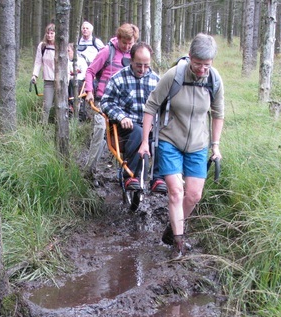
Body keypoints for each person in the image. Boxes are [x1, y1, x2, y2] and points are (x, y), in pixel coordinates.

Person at [138, 33, 225, 259]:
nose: (202, 70)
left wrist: (215, 146)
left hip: (198, 144)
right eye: (198, 64)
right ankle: (179, 243)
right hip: (170, 141)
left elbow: (218, 114)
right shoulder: (174, 76)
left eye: (207, 65)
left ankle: (172, 228)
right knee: (176, 192)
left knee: (194, 195)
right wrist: (145, 142)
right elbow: (151, 106)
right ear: (190, 57)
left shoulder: (214, 80)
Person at [100, 42, 167, 194]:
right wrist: (121, 116)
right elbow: (106, 102)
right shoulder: (118, 79)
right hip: (127, 127)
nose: (142, 69)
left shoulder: (157, 81)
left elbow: (163, 108)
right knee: (137, 131)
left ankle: (157, 178)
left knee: (162, 138)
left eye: (146, 65)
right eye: (138, 65)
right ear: (131, 60)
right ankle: (130, 176)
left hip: (150, 126)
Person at [84, 23, 139, 177]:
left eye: (131, 43)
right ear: (119, 38)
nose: (127, 46)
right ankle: (89, 170)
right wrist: (89, 91)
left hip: (124, 106)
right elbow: (90, 71)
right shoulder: (107, 51)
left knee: (134, 131)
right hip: (103, 101)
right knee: (101, 129)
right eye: (124, 43)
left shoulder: (134, 56)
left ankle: (128, 170)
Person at [31, 24, 56, 124]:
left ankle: (58, 125)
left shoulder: (61, 46)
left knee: (61, 105)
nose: (49, 35)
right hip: (48, 80)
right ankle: (44, 125)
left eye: (52, 33)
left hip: (61, 81)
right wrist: (34, 75)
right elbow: (38, 61)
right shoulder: (42, 46)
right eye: (48, 33)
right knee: (47, 105)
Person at [68, 43, 88, 119]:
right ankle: (69, 105)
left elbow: (85, 73)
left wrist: (75, 77)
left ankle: (74, 105)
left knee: (72, 82)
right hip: (69, 82)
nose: (67, 53)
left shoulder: (81, 61)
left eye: (69, 51)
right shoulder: (66, 61)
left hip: (80, 82)